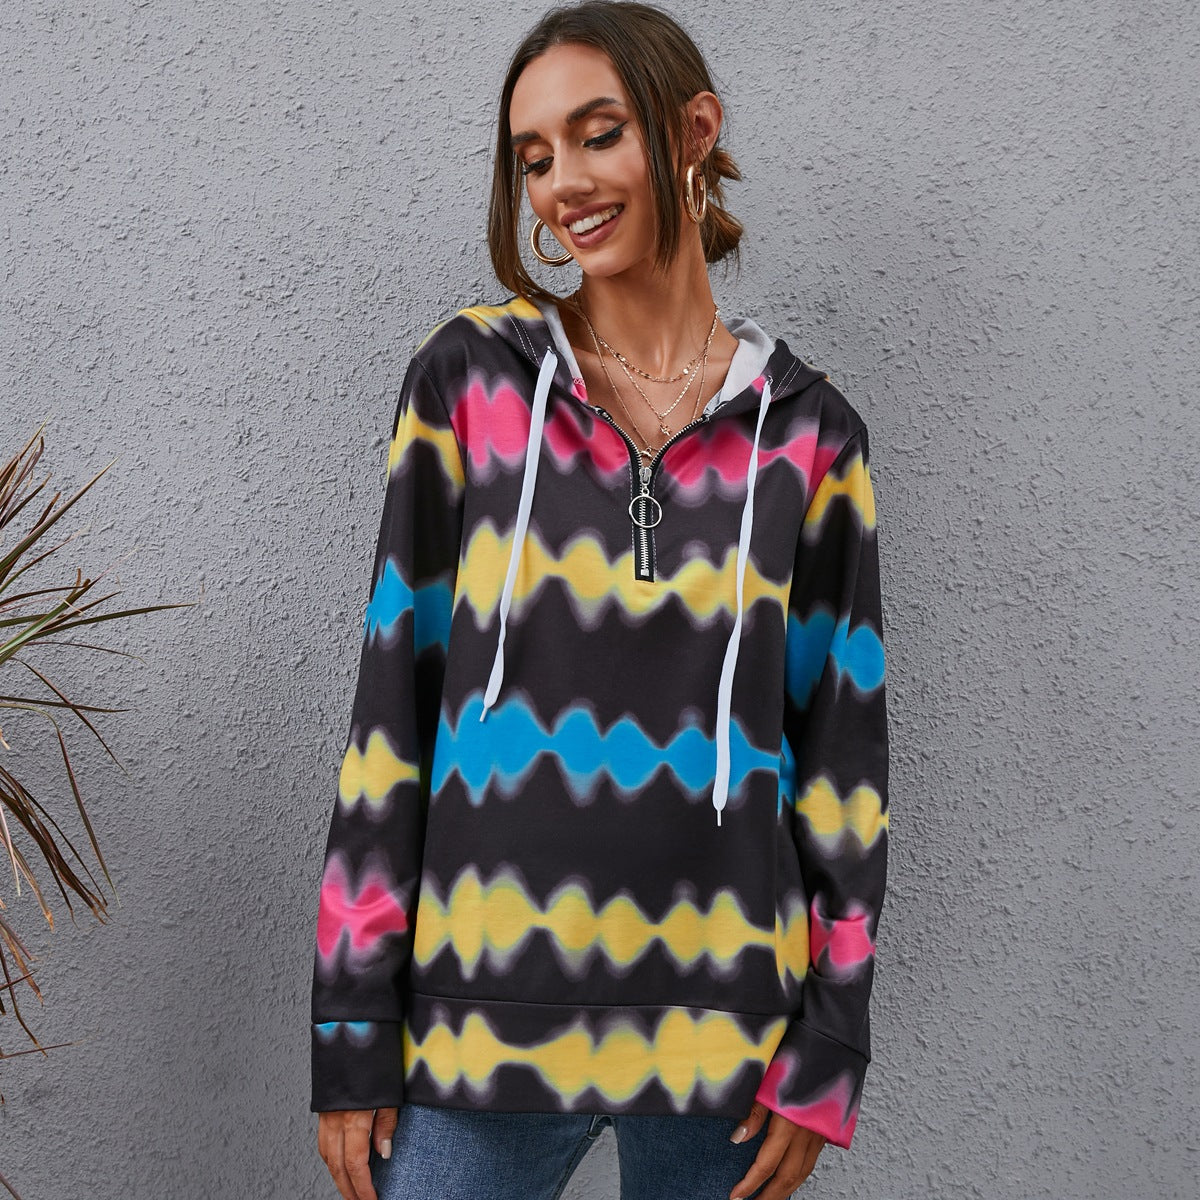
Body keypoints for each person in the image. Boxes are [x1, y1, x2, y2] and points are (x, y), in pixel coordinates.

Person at [310, 3, 890, 1199]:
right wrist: (353, 1021)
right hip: (481, 1030)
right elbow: (391, 716)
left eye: (598, 134)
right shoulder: (469, 383)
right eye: (535, 158)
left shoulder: (811, 436)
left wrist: (832, 1043)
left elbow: (843, 764)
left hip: (729, 1048)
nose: (564, 183)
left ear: (693, 132)